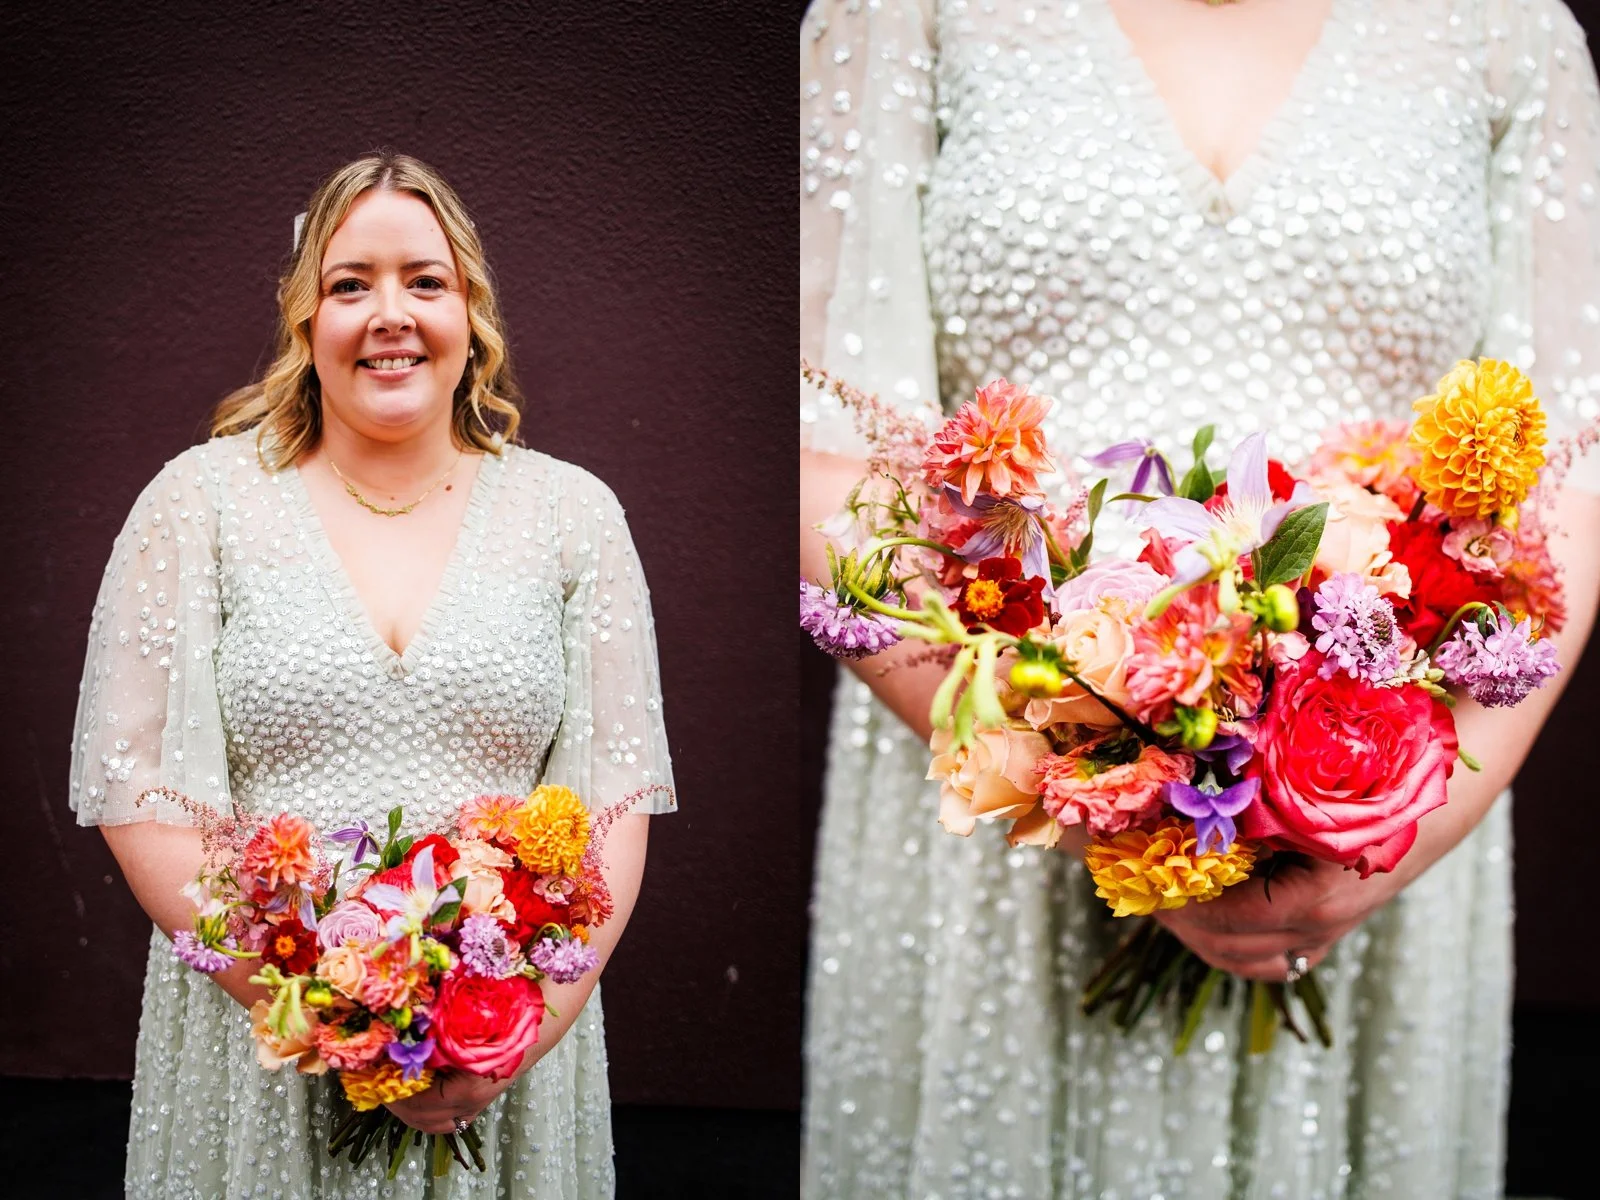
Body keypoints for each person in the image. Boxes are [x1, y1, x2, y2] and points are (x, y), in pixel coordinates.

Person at [799, 1, 1600, 1196]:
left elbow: (1569, 475)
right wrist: (1097, 786)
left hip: (1377, 773)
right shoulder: (899, 15)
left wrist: (1384, 835)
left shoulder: (1507, 29)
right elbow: (831, 448)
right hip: (996, 766)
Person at [70, 151, 676, 1199]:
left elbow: (614, 799)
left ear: (470, 310)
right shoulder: (199, 503)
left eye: (424, 281)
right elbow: (138, 786)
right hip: (264, 1037)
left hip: (502, 1036)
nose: (390, 314)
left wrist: (516, 1035)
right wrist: (331, 1019)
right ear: (306, 318)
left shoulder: (572, 515)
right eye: (351, 284)